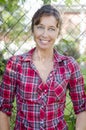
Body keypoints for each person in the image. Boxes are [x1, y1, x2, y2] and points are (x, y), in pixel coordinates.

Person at [0, 4, 86, 130]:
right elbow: (3, 109)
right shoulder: (15, 65)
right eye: (40, 27)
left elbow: (82, 108)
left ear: (58, 32)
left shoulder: (69, 65)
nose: (45, 34)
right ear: (33, 30)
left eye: (51, 28)